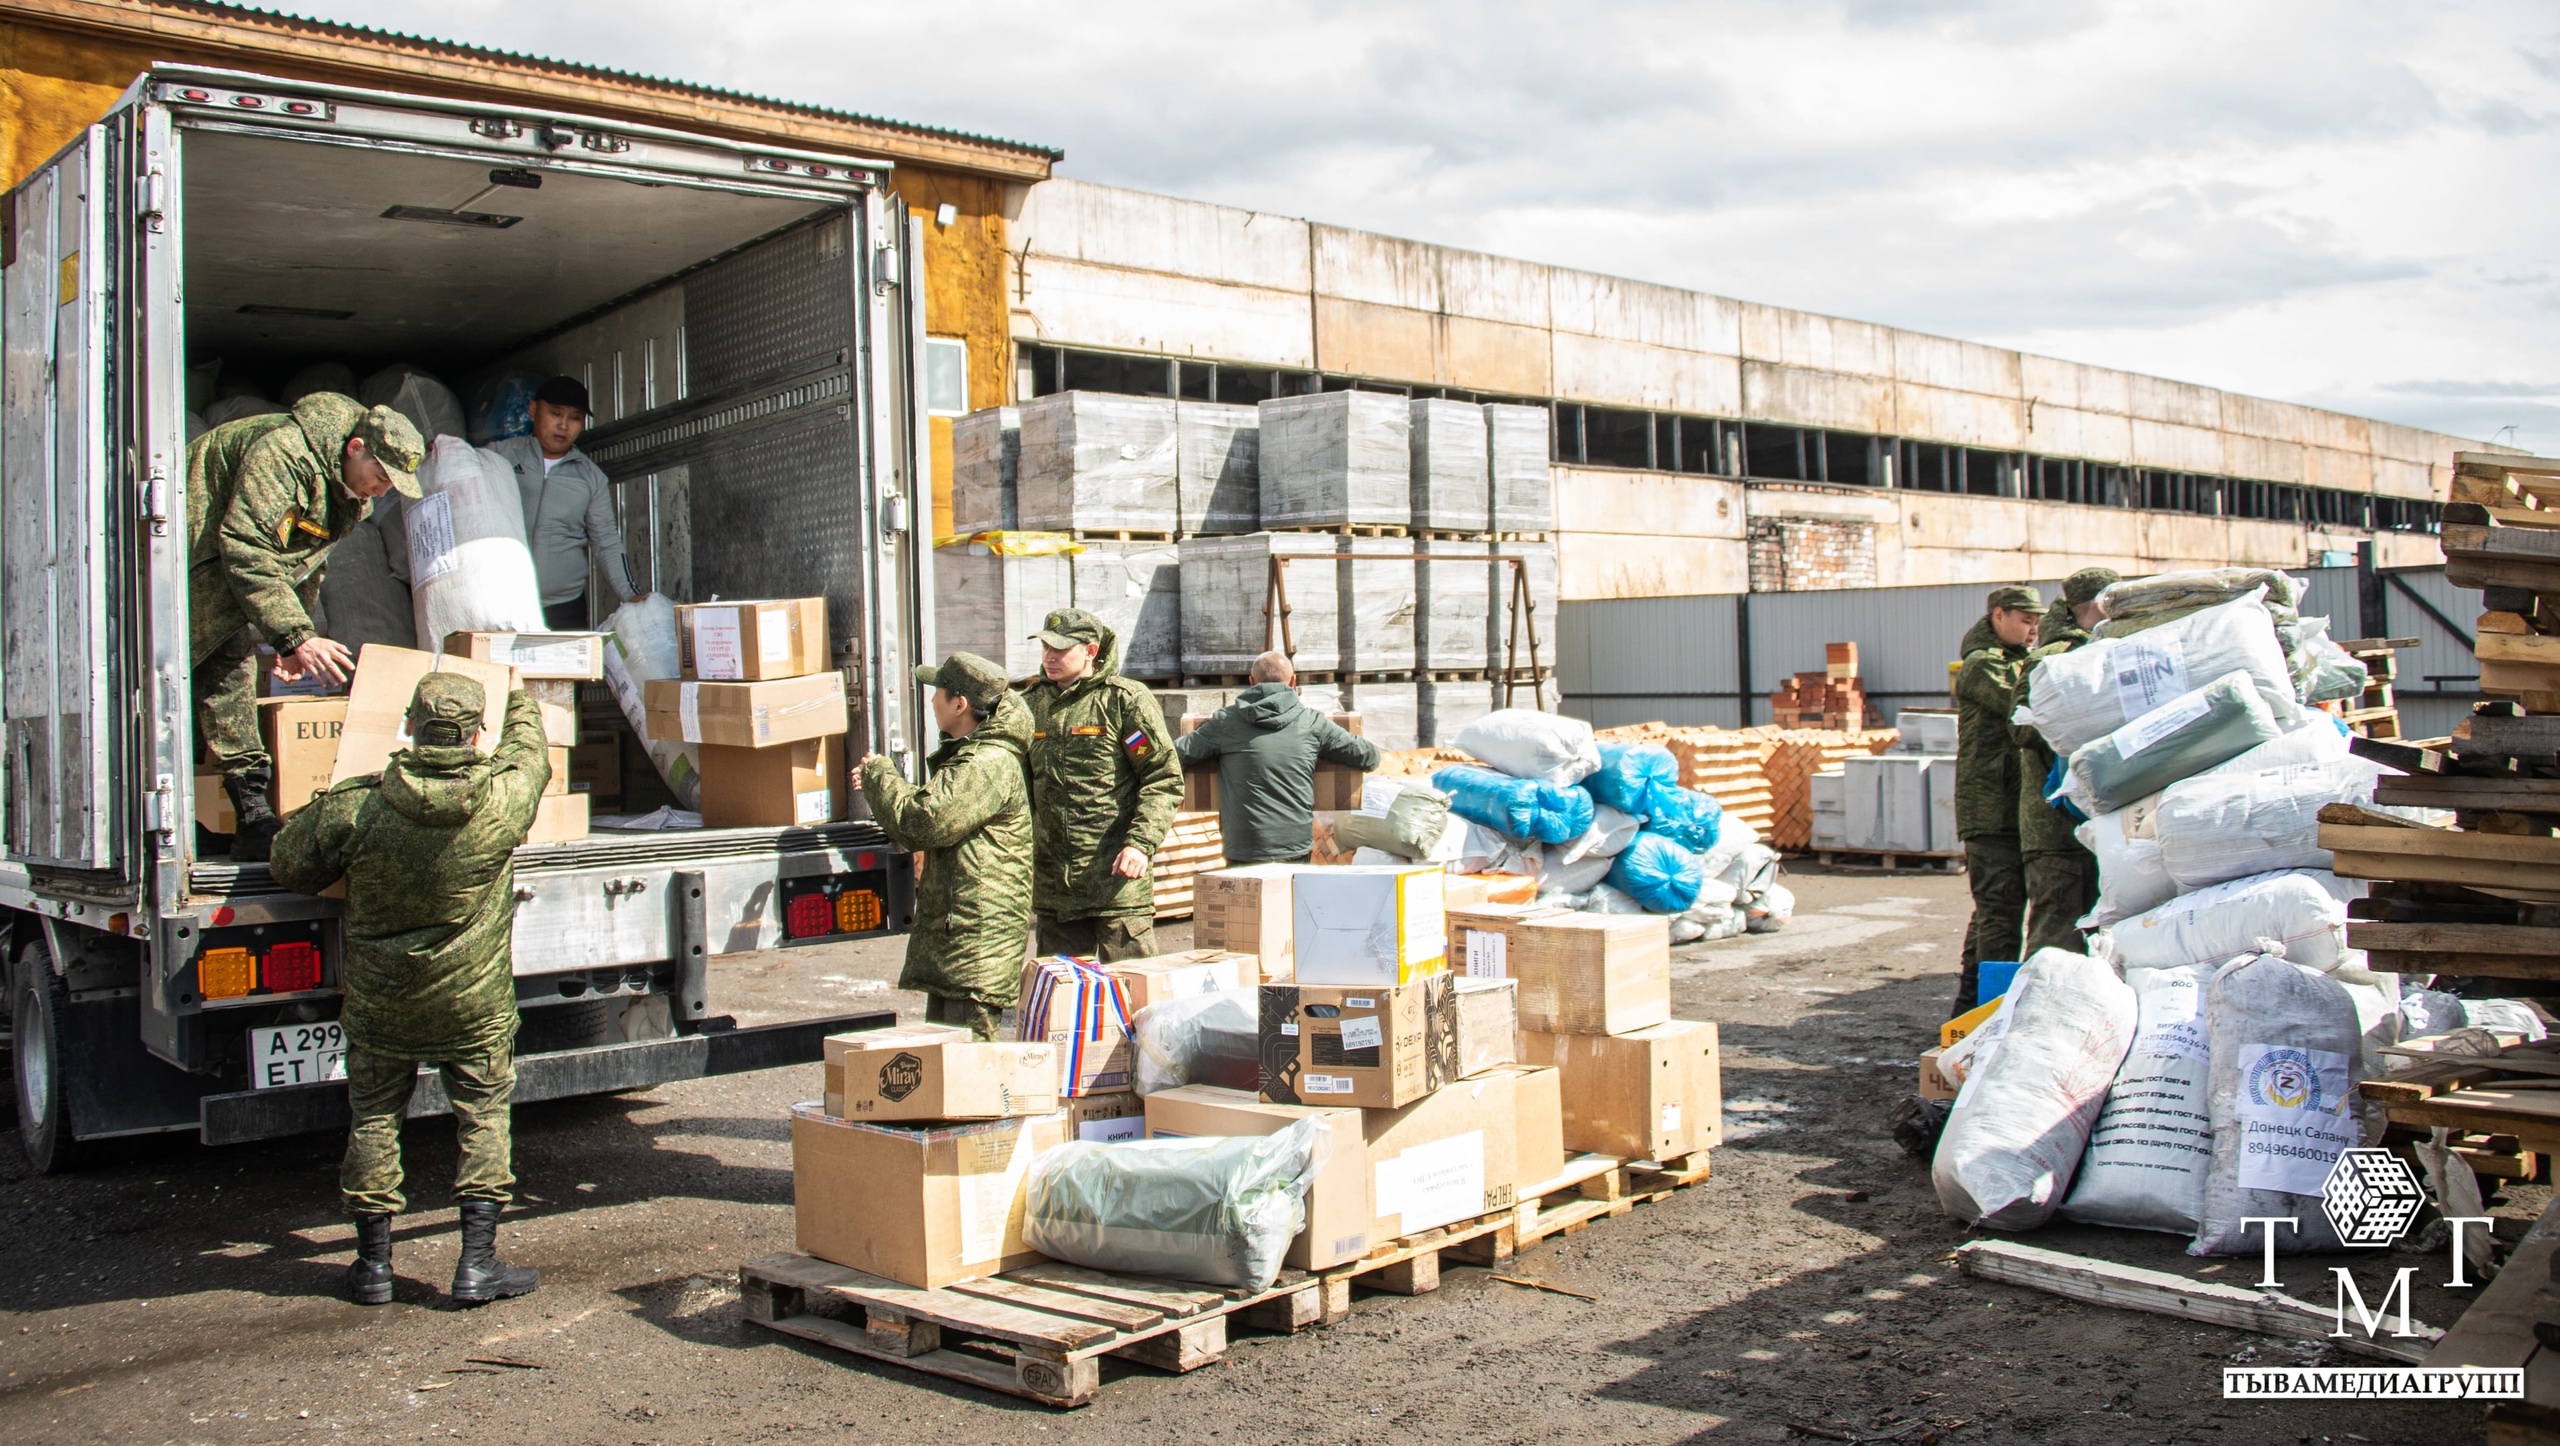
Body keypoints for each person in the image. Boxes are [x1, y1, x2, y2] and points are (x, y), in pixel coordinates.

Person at [269, 672, 549, 1307]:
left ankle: (372, 1268)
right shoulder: (503, 797)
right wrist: (520, 694)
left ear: (408, 725)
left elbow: (289, 864)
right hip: (472, 1006)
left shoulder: (358, 805)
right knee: (483, 1118)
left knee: (373, 1117)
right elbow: (531, 753)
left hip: (382, 1004)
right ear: (477, 733)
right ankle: (477, 1265)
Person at [188, 393, 424, 861]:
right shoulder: (285, 453)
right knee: (193, 678)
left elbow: (306, 562)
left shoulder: (350, 492)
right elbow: (246, 545)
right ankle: (236, 817)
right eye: (380, 478)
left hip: (232, 576)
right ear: (355, 447)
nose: (381, 491)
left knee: (226, 672)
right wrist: (296, 634)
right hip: (190, 565)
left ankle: (250, 816)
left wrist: (293, 637)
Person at [857, 652, 1035, 1040]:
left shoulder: (986, 763)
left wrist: (880, 777)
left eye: (938, 692)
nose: (933, 701)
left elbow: (923, 822)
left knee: (968, 1065)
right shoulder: (978, 756)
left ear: (960, 704)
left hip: (974, 943)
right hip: (962, 938)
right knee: (945, 1060)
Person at [1019, 609, 1181, 963]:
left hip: (1116, 887)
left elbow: (1162, 777)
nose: (1050, 657)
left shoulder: (1123, 701)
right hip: (1056, 890)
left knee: (1133, 997)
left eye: (1061, 649)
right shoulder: (1029, 706)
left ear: (1090, 651)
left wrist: (1140, 844)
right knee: (1064, 1004)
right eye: (1046, 647)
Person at [1176, 651, 1380, 865]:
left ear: (1252, 682)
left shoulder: (1225, 722)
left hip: (1243, 848)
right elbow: (1370, 756)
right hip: (1294, 847)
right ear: (1293, 681)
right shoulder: (1312, 723)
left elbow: (1176, 754)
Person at [2016, 568, 2119, 957]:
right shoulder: (2051, 659)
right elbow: (2021, 729)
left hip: (2103, 822)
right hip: (2054, 828)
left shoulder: (2114, 648)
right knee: (2055, 936)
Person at [487, 375, 644, 631]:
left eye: (574, 418)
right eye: (555, 413)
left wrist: (631, 594)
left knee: (563, 672)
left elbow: (606, 542)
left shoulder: (590, 477)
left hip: (563, 609)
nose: (563, 425)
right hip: (502, 602)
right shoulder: (499, 456)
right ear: (533, 410)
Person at [1951, 583, 2042, 1018]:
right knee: (2001, 916)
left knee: (1993, 912)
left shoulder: (2014, 660)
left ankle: (1969, 1009)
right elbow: (2024, 701)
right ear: (1999, 616)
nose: (2032, 631)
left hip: (2008, 807)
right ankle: (1990, 1013)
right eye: (2026, 621)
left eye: (2038, 623)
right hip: (1991, 810)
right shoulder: (1982, 666)